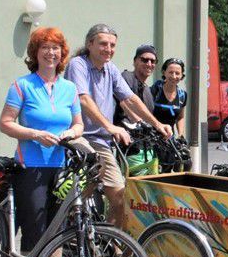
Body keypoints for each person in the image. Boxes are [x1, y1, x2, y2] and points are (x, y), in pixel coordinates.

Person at [0, 27, 83, 257]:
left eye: (55, 48)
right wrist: (35, 134)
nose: (50, 52)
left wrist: (72, 132)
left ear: (62, 54)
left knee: (57, 230)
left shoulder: (69, 89)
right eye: (44, 47)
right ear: (35, 53)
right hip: (31, 167)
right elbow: (6, 123)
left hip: (60, 168)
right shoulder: (22, 86)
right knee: (36, 231)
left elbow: (78, 124)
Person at [63, 24, 171, 227]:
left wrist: (157, 124)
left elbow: (130, 99)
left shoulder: (110, 69)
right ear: (90, 44)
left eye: (112, 45)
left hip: (102, 142)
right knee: (79, 197)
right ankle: (65, 230)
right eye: (103, 44)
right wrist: (110, 126)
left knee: (119, 198)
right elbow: (83, 99)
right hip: (81, 138)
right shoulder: (78, 64)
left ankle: (110, 245)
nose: (109, 49)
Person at [116, 44, 158, 170]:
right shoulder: (126, 77)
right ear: (135, 61)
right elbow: (124, 101)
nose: (149, 63)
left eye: (153, 61)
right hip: (127, 145)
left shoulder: (147, 90)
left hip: (144, 147)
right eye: (144, 59)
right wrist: (138, 121)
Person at [151, 58, 188, 135]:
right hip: (151, 137)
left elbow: (180, 117)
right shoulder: (154, 91)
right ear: (164, 73)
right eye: (171, 72)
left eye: (177, 73)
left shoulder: (182, 95)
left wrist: (180, 135)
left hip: (169, 138)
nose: (174, 76)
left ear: (182, 75)